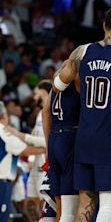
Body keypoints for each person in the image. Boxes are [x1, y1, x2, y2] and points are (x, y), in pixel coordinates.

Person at [52, 7, 111, 222]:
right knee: (108, 205)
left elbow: (58, 85)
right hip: (110, 140)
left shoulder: (81, 52)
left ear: (104, 26)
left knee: (85, 204)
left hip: (84, 138)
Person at [40, 61, 81, 222]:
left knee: (59, 206)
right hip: (69, 138)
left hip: (54, 139)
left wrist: (48, 145)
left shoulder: (56, 87)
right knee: (69, 209)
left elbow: (45, 112)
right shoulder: (76, 84)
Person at [6, 79, 51, 221]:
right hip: (35, 165)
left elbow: (47, 143)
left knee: (47, 206)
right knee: (30, 206)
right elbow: (34, 138)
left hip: (46, 167)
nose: (33, 97)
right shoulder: (39, 114)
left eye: (36, 93)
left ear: (44, 93)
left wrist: (19, 135)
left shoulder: (51, 113)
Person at [0, 101, 46, 221]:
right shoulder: (4, 133)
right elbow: (26, 150)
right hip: (2, 183)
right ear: (4, 116)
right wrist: (47, 147)